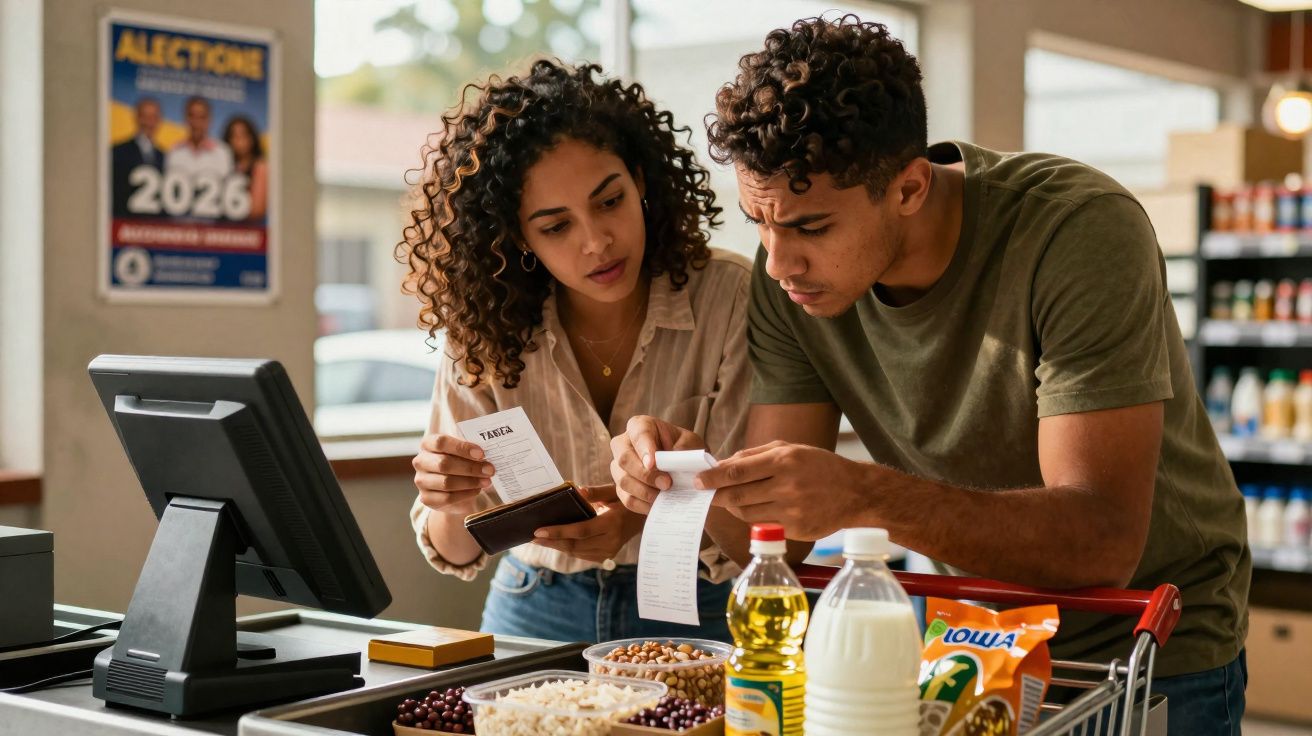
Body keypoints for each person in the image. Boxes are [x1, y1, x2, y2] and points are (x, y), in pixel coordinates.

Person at [610, 16, 1248, 735]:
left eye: (811, 228)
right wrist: (688, 482)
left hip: (1143, 647)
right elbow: (775, 537)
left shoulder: (1078, 230)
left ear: (910, 188)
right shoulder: (786, 280)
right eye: (759, 221)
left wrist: (862, 494)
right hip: (973, 644)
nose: (780, 260)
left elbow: (1101, 540)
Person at [401, 59, 754, 643]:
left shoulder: (729, 296)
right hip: (533, 601)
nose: (596, 242)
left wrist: (648, 511)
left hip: (695, 598)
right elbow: (457, 548)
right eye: (556, 227)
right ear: (518, 237)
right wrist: (447, 500)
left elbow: (759, 534)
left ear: (640, 180)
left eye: (609, 201)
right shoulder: (482, 325)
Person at [111, 97, 163, 217]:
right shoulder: (117, 152)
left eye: (154, 117)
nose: (149, 122)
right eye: (145, 117)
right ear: (137, 118)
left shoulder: (164, 156)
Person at [165, 96, 233, 184]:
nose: (196, 122)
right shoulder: (174, 151)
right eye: (192, 116)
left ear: (209, 120)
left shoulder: (222, 152)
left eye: (201, 117)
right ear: (185, 118)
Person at [223, 116, 268, 220]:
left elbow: (257, 210)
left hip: (251, 231)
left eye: (243, 135)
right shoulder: (226, 165)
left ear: (252, 138)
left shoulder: (260, 166)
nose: (239, 140)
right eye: (234, 136)